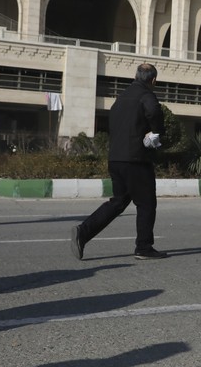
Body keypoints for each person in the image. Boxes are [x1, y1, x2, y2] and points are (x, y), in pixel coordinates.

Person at [70, 63, 166, 260]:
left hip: (116, 158)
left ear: (136, 76)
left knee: (118, 202)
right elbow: (154, 112)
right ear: (153, 80)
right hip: (136, 159)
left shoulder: (121, 98)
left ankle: (83, 232)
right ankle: (144, 247)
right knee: (146, 203)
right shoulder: (146, 95)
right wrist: (156, 132)